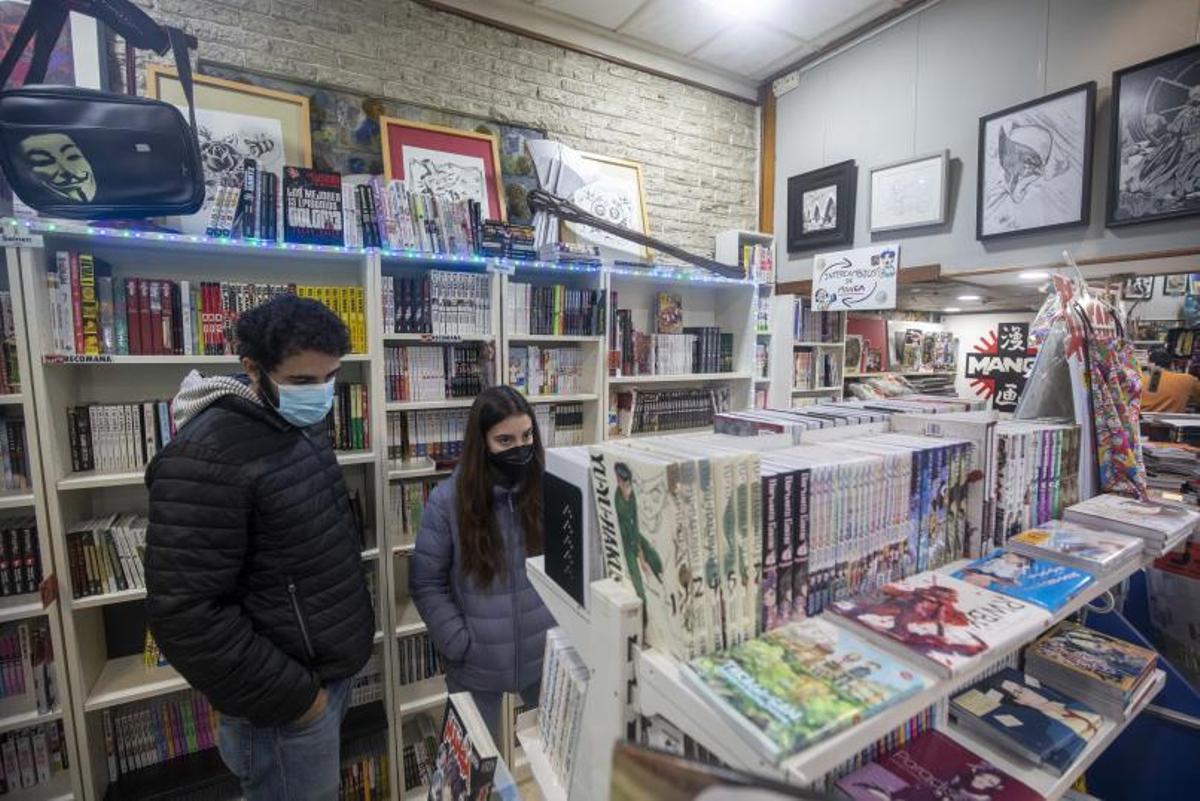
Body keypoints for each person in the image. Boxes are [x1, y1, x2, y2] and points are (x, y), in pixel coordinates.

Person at [144, 294, 375, 801]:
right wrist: (298, 700)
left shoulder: (296, 422)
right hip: (283, 708)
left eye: (330, 377)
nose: (320, 393)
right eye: (302, 381)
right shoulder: (203, 457)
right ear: (253, 369)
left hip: (323, 679)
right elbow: (185, 612)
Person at [410, 386, 555, 744]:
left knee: (565, 763)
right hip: (474, 664)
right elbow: (426, 583)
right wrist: (458, 642)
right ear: (482, 443)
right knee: (472, 780)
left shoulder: (547, 487)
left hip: (544, 656)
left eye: (526, 436)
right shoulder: (447, 502)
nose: (519, 448)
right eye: (504, 440)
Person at [1141, 346, 1200, 412]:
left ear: (1152, 364)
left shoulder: (1140, 381)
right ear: (1171, 365)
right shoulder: (1188, 380)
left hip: (1144, 421)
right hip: (1176, 421)